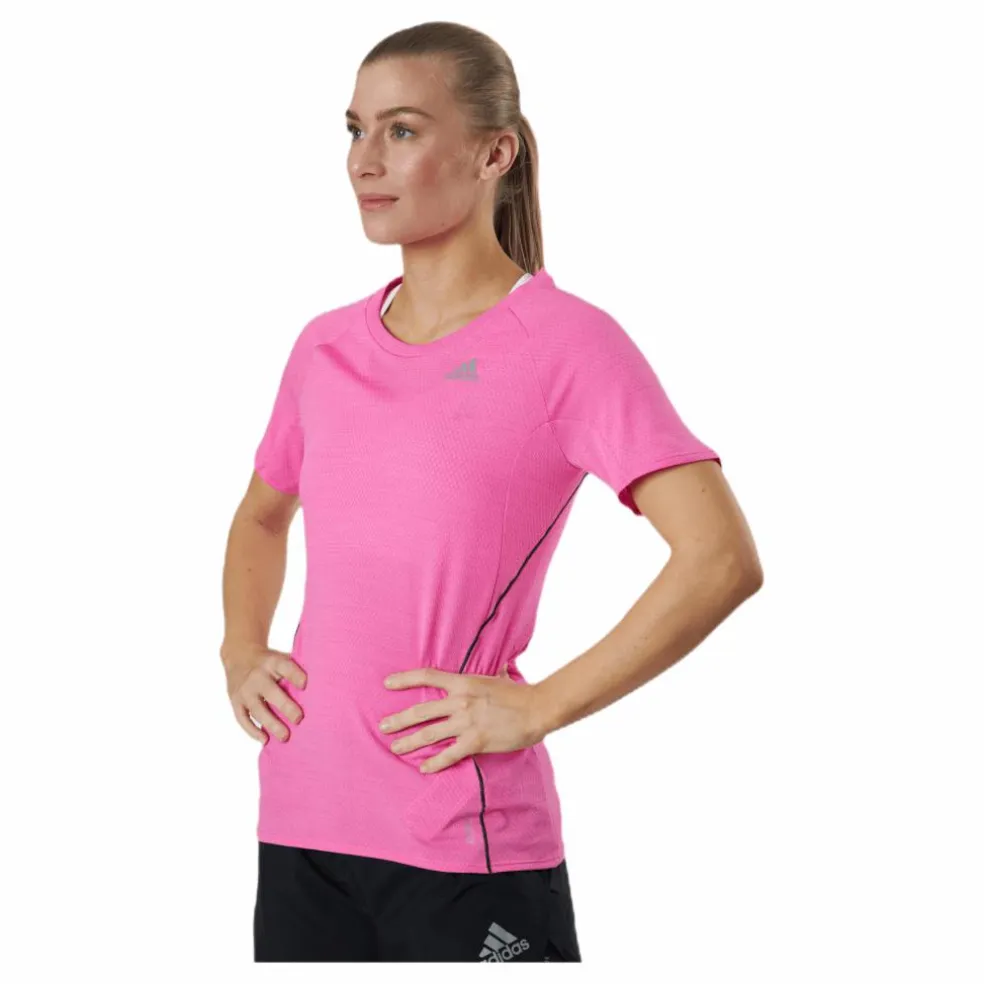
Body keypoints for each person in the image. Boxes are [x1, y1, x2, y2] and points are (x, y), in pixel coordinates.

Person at [220, 20, 762, 963]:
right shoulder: (324, 346)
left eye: (402, 129)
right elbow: (264, 514)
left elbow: (720, 558)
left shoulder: (565, 345)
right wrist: (240, 648)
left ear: (494, 153)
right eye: (354, 129)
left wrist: (541, 705)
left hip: (462, 844)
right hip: (301, 825)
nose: (364, 161)